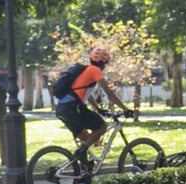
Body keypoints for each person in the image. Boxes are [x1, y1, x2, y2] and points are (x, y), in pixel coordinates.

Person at [54, 46, 133, 174]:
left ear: (91, 58)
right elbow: (109, 92)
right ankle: (80, 153)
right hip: (73, 107)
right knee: (101, 127)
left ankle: (85, 172)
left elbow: (87, 93)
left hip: (62, 109)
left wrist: (98, 109)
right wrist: (125, 109)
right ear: (105, 63)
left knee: (87, 138)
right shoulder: (95, 70)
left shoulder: (86, 71)